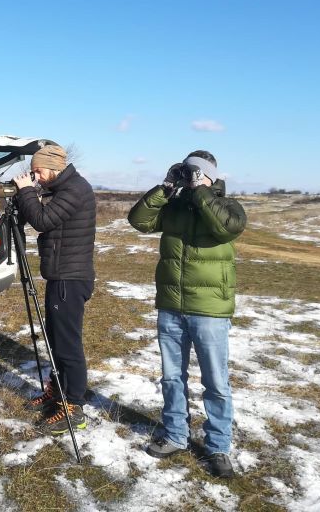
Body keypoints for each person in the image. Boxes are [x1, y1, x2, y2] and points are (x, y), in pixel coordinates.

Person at [127, 150, 246, 479]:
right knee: (171, 377)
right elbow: (139, 220)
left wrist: (201, 190)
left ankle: (218, 447)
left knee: (216, 382)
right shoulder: (174, 206)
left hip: (209, 310)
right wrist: (166, 186)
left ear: (210, 176)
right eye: (186, 171)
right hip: (171, 306)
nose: (189, 177)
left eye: (196, 172)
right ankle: (176, 435)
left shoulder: (228, 206)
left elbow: (225, 228)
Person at [13, 144, 96, 435]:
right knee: (56, 340)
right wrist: (30, 194)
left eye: (38, 171)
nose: (36, 176)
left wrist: (26, 192)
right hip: (60, 276)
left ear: (53, 167)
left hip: (70, 279)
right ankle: (57, 390)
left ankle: (74, 407)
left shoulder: (76, 189)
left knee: (68, 345)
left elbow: (42, 220)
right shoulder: (63, 188)